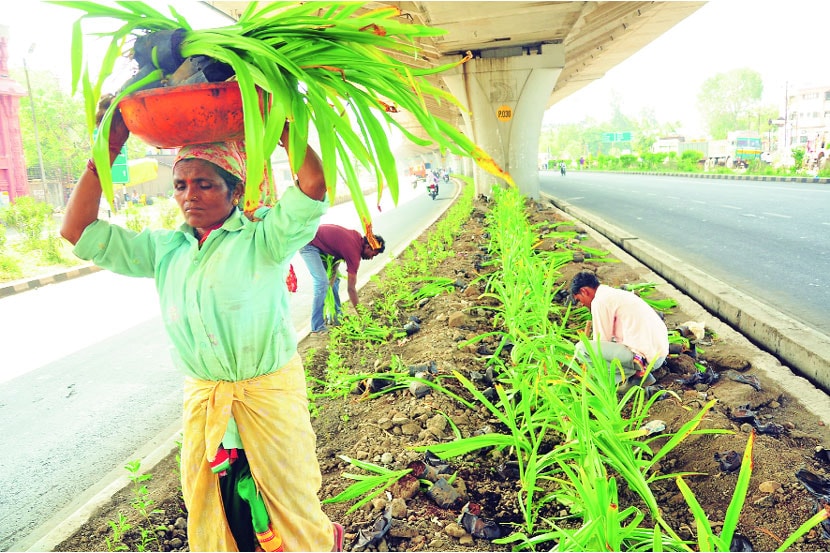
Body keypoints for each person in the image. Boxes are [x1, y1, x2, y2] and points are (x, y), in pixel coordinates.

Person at [60, 99, 343, 552]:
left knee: (292, 511)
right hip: (206, 405)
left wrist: (278, 119)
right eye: (180, 185)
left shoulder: (264, 239)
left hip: (267, 400)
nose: (189, 195)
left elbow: (312, 184)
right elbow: (78, 231)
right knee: (217, 513)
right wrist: (107, 146)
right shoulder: (164, 250)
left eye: (205, 184)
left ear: (235, 192)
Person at [570, 270, 668, 393]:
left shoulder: (600, 301)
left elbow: (600, 344)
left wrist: (591, 371)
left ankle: (614, 382)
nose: (582, 304)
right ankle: (639, 376)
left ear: (584, 291)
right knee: (600, 346)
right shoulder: (613, 294)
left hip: (647, 359)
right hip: (658, 355)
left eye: (579, 300)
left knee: (582, 348)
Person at [299, 224, 385, 333]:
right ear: (368, 247)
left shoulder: (357, 238)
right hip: (308, 243)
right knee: (322, 283)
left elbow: (339, 252)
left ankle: (337, 317)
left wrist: (333, 272)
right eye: (374, 254)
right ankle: (317, 327)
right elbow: (351, 289)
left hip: (319, 243)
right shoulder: (354, 253)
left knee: (334, 280)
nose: (371, 258)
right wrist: (363, 316)